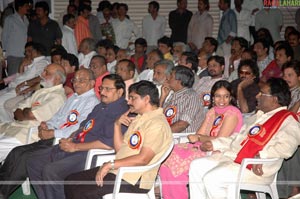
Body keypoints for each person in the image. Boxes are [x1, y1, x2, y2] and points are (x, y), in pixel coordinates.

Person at [188, 78, 300, 199]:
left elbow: (287, 147)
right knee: (196, 166)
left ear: (275, 99)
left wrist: (262, 155)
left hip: (256, 168)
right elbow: (237, 138)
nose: (257, 96)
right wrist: (215, 144)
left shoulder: (288, 120)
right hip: (234, 157)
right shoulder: (259, 116)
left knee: (212, 178)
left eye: (262, 93)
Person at [64, 80, 173, 199]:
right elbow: (120, 149)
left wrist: (110, 164)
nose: (128, 101)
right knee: (71, 181)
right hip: (119, 170)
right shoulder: (139, 118)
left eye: (132, 98)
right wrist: (117, 125)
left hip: (134, 179)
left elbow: (143, 159)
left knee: (84, 192)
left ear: (146, 99)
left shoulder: (157, 124)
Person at [0, 68, 99, 198]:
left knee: (25, 158)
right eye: (75, 80)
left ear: (92, 83)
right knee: (17, 152)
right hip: (50, 136)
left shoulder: (92, 102)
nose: (76, 83)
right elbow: (57, 117)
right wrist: (45, 125)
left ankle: (2, 193)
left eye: (81, 80)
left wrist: (53, 133)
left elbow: (77, 128)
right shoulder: (73, 98)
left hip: (62, 141)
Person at [26, 74, 129, 199]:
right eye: (101, 88)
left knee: (51, 171)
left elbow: (107, 144)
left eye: (108, 89)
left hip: (89, 153)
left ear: (120, 91)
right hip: (75, 144)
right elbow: (84, 126)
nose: (102, 92)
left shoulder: (121, 111)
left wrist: (75, 146)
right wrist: (71, 137)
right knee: (33, 161)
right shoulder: (100, 106)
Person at [159, 80, 243, 199]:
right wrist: (191, 143)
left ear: (231, 98)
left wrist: (198, 138)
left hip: (219, 150)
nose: (222, 100)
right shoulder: (212, 111)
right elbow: (200, 133)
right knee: (168, 156)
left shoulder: (232, 113)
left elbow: (220, 140)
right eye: (218, 96)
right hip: (203, 145)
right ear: (213, 97)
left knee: (177, 164)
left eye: (226, 96)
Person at [0, 42, 49, 122]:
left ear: (37, 51)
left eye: (30, 51)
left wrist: (26, 85)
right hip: (15, 86)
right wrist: (22, 66)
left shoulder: (42, 62)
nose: (27, 53)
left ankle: (8, 125)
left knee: (0, 103)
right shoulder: (33, 62)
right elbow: (20, 77)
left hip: (21, 88)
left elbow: (40, 78)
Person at [161, 66, 202, 133]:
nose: (167, 78)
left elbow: (182, 124)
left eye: (171, 76)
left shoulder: (191, 97)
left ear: (179, 81)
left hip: (183, 139)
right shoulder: (174, 95)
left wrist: (162, 134)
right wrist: (163, 97)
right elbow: (159, 117)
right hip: (169, 135)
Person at [1, 0, 30, 76]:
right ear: (20, 7)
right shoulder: (10, 19)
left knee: (23, 78)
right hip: (14, 55)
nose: (28, 7)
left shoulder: (27, 20)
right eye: (26, 6)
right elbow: (4, 37)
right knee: (13, 79)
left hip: (25, 55)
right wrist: (4, 55)